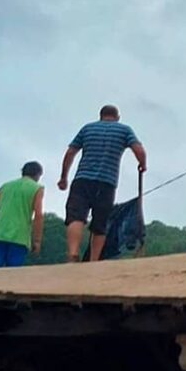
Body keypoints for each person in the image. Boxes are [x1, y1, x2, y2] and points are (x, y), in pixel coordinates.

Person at [58, 105, 147, 262]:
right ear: (117, 117)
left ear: (100, 116)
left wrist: (63, 177)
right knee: (100, 224)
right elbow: (139, 150)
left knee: (75, 217)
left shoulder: (87, 129)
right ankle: (94, 260)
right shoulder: (124, 130)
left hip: (82, 179)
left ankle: (72, 254)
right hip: (107, 182)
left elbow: (70, 152)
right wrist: (142, 164)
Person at [0, 161, 45, 268]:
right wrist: (36, 240)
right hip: (19, 238)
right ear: (38, 175)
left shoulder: (6, 186)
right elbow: (38, 215)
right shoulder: (37, 188)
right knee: (13, 276)